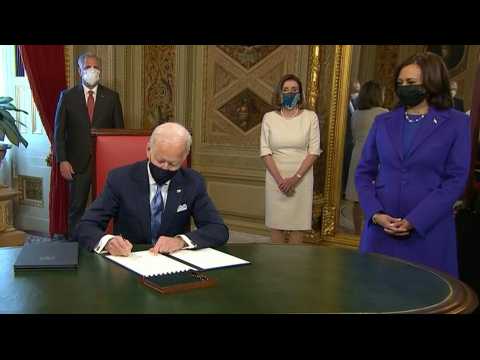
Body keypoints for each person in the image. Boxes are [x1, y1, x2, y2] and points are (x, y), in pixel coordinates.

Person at [355, 52, 471, 277]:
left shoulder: (457, 123)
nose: (404, 87)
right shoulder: (383, 121)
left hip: (428, 232)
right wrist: (375, 213)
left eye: (411, 83)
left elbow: (456, 179)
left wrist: (414, 221)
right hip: (381, 231)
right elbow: (363, 172)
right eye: (400, 83)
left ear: (431, 83)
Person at [76, 122, 229, 256]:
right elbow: (85, 226)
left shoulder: (192, 182)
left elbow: (218, 230)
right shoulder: (120, 179)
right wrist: (108, 242)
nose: (165, 168)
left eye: (173, 164)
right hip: (130, 261)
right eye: (160, 160)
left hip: (173, 263)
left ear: (183, 158)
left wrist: (180, 241)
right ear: (148, 150)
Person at [54, 52, 124, 240]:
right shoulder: (67, 97)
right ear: (79, 70)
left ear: (100, 71)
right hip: (76, 164)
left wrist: (118, 165)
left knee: (106, 208)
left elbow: (120, 134)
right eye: (87, 67)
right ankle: (74, 248)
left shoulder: (112, 97)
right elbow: (59, 133)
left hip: (106, 164)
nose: (91, 70)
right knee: (76, 208)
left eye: (95, 67)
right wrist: (62, 160)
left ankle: (103, 245)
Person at [260, 74, 321, 244]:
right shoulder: (269, 118)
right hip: (275, 179)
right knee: (276, 225)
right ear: (279, 94)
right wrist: (281, 180)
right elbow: (265, 151)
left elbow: (314, 151)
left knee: (297, 226)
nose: (290, 93)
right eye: (286, 90)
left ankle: (294, 268)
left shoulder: (310, 117)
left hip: (301, 179)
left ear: (300, 93)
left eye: (294, 90)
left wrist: (295, 179)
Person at [345, 81, 388, 234]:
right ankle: (371, 231)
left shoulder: (356, 114)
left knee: (357, 198)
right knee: (374, 196)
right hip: (375, 155)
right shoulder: (383, 113)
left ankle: (357, 232)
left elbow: (354, 135)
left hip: (357, 155)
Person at [342, 80, 361, 197]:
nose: (356, 93)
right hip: (344, 141)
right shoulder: (342, 103)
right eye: (355, 90)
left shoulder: (358, 104)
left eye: (358, 91)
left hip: (352, 143)